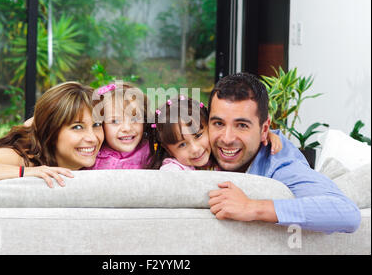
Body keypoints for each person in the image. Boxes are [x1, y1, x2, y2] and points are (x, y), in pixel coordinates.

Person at [206, 73, 361, 233]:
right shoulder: (199, 146)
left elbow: (347, 213)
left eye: (242, 125)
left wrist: (252, 207)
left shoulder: (283, 165)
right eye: (218, 123)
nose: (227, 138)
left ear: (264, 129)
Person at [0, 81, 104, 191]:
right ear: (51, 131)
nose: (92, 138)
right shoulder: (24, 156)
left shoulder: (104, 147)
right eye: (77, 127)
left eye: (97, 125)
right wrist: (26, 172)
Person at [147, 95, 283, 171]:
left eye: (198, 135)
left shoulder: (219, 154)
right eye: (182, 145)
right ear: (168, 149)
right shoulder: (174, 169)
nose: (195, 149)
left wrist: (265, 134)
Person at [86, 82, 153, 169]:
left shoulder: (152, 151)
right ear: (101, 125)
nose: (127, 128)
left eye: (135, 119)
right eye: (115, 121)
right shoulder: (90, 154)